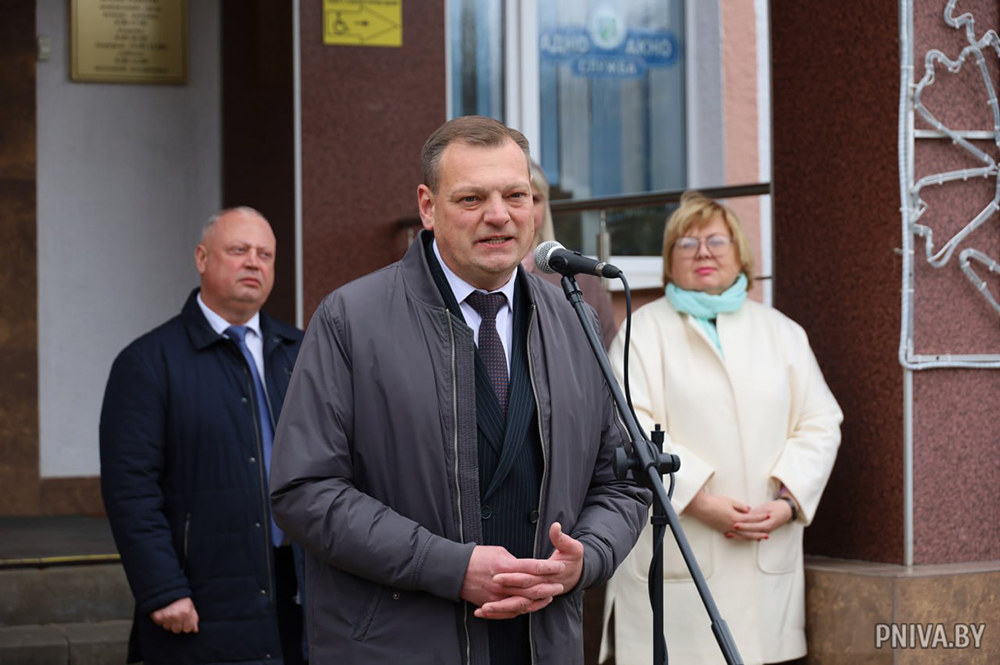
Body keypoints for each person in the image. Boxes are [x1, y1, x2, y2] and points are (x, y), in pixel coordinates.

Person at [269, 115, 650, 665]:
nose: (499, 215)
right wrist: (449, 567)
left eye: (515, 195)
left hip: (541, 641)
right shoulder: (350, 319)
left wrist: (585, 558)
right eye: (472, 198)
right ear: (427, 207)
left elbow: (623, 481)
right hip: (402, 644)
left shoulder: (575, 321)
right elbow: (304, 489)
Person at [599, 191, 842, 665]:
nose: (703, 253)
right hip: (680, 549)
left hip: (764, 552)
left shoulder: (782, 332)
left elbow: (820, 422)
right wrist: (697, 499)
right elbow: (627, 423)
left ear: (741, 254)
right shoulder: (642, 331)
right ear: (669, 260)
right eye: (687, 244)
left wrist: (789, 502)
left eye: (716, 241)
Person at [100, 207, 306, 664]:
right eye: (239, 250)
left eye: (265, 254)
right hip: (203, 593)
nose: (253, 263)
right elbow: (130, 490)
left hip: (300, 590)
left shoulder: (303, 353)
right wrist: (162, 588)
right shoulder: (148, 363)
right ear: (201, 258)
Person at [523, 159, 617, 349]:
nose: (528, 208)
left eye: (535, 199)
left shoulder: (581, 280)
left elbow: (609, 352)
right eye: (516, 196)